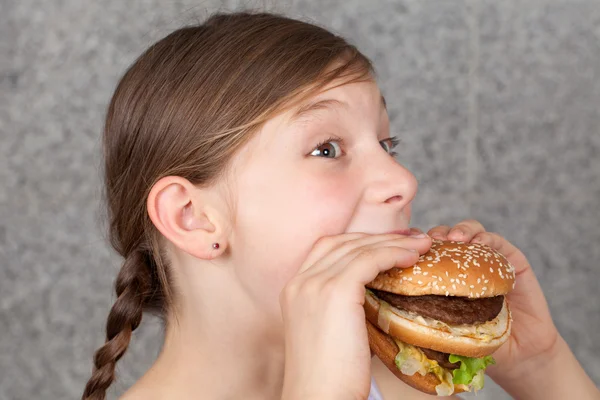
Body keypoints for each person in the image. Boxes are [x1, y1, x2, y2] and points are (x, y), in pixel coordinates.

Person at [81, 11, 599, 400]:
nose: (403, 180)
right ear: (193, 218)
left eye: (387, 145)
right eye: (326, 150)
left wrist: (540, 366)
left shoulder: (406, 387)